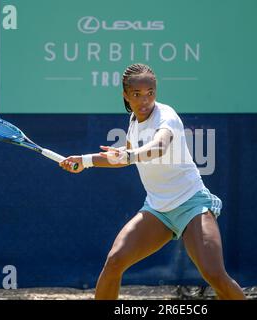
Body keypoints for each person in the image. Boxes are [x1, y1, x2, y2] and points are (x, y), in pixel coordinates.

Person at [59, 63, 246, 300]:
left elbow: (158, 146)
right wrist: (84, 161)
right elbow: (124, 158)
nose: (144, 100)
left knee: (214, 274)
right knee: (115, 262)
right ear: (125, 95)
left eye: (150, 93)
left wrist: (128, 154)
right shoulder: (133, 123)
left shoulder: (166, 116)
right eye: (136, 95)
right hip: (158, 210)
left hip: (191, 204)